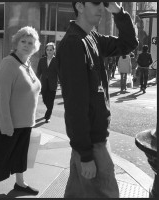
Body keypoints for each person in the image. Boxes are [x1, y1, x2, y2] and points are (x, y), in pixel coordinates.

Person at [56, 2, 138, 198]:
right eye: (95, 3)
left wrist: (118, 12)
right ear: (80, 6)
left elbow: (129, 43)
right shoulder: (74, 44)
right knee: (107, 194)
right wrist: (85, 155)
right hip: (92, 144)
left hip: (96, 140)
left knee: (79, 194)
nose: (101, 8)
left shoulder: (92, 37)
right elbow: (75, 105)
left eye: (104, 3)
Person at [0, 26, 41, 198]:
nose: (26, 45)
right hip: (8, 125)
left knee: (20, 156)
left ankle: (20, 182)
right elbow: (2, 97)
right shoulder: (9, 63)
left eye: (31, 42)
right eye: (23, 41)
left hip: (25, 123)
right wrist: (6, 125)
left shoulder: (27, 64)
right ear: (16, 43)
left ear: (35, 46)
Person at [36, 42, 59, 123]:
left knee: (51, 101)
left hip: (53, 84)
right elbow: (38, 72)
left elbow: (60, 73)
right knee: (45, 100)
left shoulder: (57, 60)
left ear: (54, 51)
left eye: (51, 50)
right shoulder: (42, 60)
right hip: (44, 84)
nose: (49, 51)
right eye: (47, 49)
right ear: (45, 51)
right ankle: (48, 112)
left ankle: (47, 116)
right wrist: (35, 81)